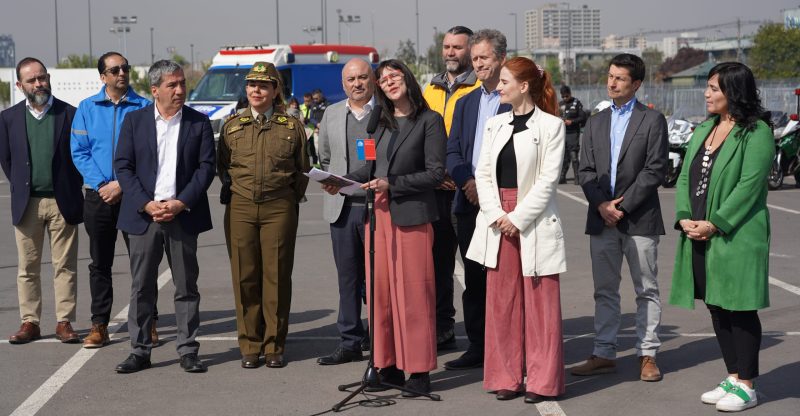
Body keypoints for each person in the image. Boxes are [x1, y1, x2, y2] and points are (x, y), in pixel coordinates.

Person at [326, 59, 446, 396]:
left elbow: (436, 173)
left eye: (395, 76)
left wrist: (392, 183)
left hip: (411, 218)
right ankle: (388, 365)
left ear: (407, 79)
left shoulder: (429, 121)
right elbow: (369, 167)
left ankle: (419, 372)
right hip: (378, 218)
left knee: (413, 296)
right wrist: (342, 182)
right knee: (382, 296)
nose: (389, 82)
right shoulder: (381, 122)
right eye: (384, 79)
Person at [669, 62, 773, 412]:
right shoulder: (706, 129)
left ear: (734, 91)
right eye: (708, 87)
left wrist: (714, 223)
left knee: (739, 307)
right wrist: (685, 217)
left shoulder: (755, 132)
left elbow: (749, 187)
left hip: (736, 235)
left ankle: (748, 384)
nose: (707, 93)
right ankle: (733, 374)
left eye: (714, 88)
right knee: (716, 304)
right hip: (700, 232)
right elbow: (685, 176)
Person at [465, 57, 566, 403]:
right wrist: (496, 213)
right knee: (502, 302)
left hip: (532, 219)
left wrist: (517, 217)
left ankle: (542, 381)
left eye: (505, 81)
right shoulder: (495, 124)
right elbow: (482, 174)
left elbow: (548, 182)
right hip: (497, 219)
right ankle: (505, 376)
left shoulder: (552, 126)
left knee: (540, 305)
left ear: (524, 86)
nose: (500, 86)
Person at [113, 60, 215, 374]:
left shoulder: (199, 122)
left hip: (182, 216)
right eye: (172, 85)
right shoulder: (135, 121)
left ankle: (188, 350)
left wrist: (181, 202)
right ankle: (140, 351)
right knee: (142, 287)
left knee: (186, 286)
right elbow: (123, 166)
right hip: (144, 218)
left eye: (182, 83)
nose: (180, 90)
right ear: (155, 90)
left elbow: (206, 168)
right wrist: (146, 203)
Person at [572, 53, 668, 382]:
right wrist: (602, 205)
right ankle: (604, 353)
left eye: (620, 78)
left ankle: (647, 355)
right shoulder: (596, 121)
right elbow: (584, 170)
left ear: (636, 84)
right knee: (605, 290)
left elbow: (655, 169)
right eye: (610, 76)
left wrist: (621, 207)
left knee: (646, 289)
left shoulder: (652, 121)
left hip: (639, 219)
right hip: (601, 219)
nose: (612, 82)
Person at [217, 62, 310, 369]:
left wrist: (287, 197)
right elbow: (224, 167)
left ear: (275, 90)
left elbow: (302, 169)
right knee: (244, 277)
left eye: (263, 85)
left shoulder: (291, 126)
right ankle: (249, 345)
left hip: (279, 206)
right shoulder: (231, 127)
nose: (256, 90)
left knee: (277, 276)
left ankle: (274, 345)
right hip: (241, 206)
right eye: (251, 85)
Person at [70, 52, 157, 349]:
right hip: (98, 197)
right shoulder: (86, 109)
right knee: (100, 264)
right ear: (103, 76)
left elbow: (150, 155)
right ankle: (99, 325)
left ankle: (149, 323)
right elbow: (79, 152)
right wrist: (103, 184)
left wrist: (122, 185)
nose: (122, 73)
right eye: (115, 69)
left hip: (135, 196)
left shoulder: (145, 107)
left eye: (125, 68)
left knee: (142, 263)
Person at [0, 57, 84, 344]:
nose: (39, 84)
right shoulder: (8, 118)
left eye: (43, 78)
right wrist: (24, 186)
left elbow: (79, 156)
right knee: (27, 268)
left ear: (49, 78)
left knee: (65, 266)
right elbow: (7, 160)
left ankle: (64, 322)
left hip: (63, 202)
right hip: (27, 204)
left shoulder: (70, 114)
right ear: (20, 85)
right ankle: (30, 322)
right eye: (32, 80)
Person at [444, 29, 511, 370]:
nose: (479, 64)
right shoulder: (466, 101)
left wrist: (488, 189)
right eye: (475, 59)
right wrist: (467, 181)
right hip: (469, 203)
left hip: (505, 204)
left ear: (501, 58)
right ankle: (478, 346)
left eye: (484, 57)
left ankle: (508, 346)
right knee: (474, 279)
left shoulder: (516, 99)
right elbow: (452, 150)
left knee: (506, 278)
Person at [315, 58, 375, 365]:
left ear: (372, 79)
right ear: (343, 84)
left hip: (377, 208)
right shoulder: (332, 113)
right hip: (343, 209)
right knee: (348, 278)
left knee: (378, 280)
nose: (357, 84)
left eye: (363, 77)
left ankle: (381, 340)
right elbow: (325, 156)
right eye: (351, 79)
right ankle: (350, 341)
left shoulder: (386, 112)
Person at [423, 25, 479, 350]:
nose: (450, 53)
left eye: (457, 47)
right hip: (435, 192)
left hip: (467, 192)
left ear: (470, 51)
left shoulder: (480, 89)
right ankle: (443, 329)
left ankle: (477, 338)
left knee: (474, 268)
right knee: (437, 266)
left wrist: (458, 175)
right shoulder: (429, 88)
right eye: (446, 46)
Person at [558, 85, 586, 184]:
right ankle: (562, 176)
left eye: (566, 96)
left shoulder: (576, 103)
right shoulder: (560, 104)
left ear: (570, 94)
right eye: (563, 96)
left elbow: (583, 117)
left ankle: (577, 177)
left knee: (573, 155)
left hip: (573, 133)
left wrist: (572, 122)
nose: (565, 98)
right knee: (564, 156)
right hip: (562, 133)